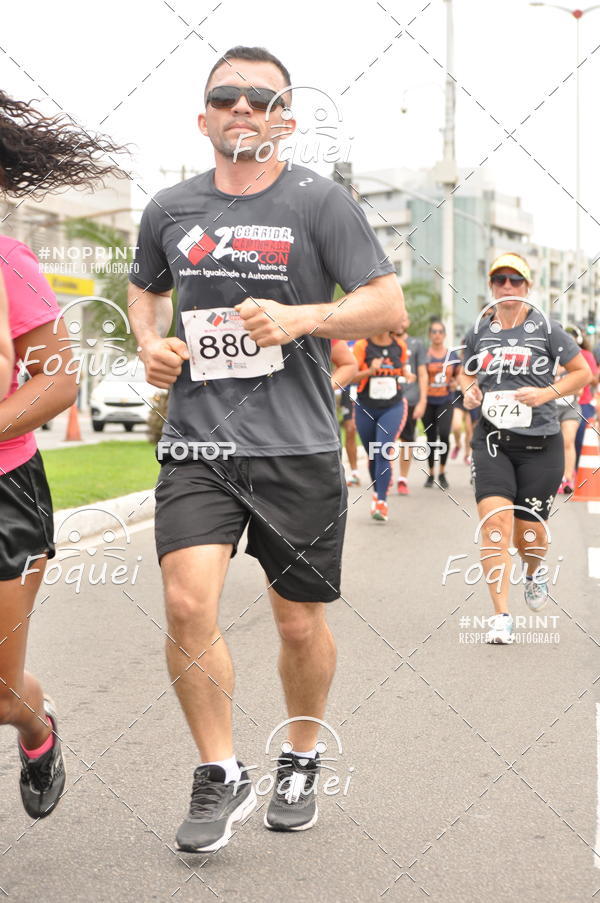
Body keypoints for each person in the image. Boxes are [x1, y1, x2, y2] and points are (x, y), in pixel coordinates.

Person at [127, 45, 406, 852]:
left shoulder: (321, 202)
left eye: (261, 98)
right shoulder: (170, 208)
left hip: (299, 445)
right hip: (198, 444)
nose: (243, 108)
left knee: (297, 623)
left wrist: (304, 318)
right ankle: (220, 770)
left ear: (285, 120)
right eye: (227, 97)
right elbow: (144, 286)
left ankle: (302, 754)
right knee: (187, 603)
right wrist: (149, 342)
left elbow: (387, 304)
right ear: (204, 118)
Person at [0, 89, 124, 816]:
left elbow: (57, 382)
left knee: (1, 692)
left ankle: (36, 727)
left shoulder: (10, 263)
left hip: (6, 489)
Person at [460, 253, 591, 644]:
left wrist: (545, 393)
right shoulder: (479, 330)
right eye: (499, 279)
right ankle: (501, 616)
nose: (507, 286)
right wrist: (469, 391)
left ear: (527, 287)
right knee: (494, 524)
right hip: (492, 441)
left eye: (515, 280)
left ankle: (533, 571)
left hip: (540, 443)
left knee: (529, 533)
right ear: (491, 286)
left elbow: (583, 373)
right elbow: (464, 373)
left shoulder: (547, 329)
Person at [352, 327, 408, 521]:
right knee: (373, 454)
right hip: (366, 407)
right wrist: (370, 371)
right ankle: (378, 492)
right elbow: (351, 376)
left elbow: (403, 371)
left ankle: (381, 502)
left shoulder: (399, 346)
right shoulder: (362, 345)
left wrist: (408, 375)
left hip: (393, 406)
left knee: (383, 450)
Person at [423, 319, 460, 489]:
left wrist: (455, 382)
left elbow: (460, 374)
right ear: (429, 335)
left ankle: (442, 472)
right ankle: (431, 473)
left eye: (440, 332)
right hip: (428, 401)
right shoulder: (425, 355)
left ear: (444, 335)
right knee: (430, 437)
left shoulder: (451, 355)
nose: (437, 335)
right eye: (434, 332)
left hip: (445, 400)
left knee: (444, 434)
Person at [392, 316, 427, 495]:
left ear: (408, 323)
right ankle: (386, 474)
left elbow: (422, 374)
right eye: (397, 319)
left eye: (403, 319)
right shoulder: (384, 342)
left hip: (410, 398)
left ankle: (403, 479)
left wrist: (422, 401)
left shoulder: (416, 344)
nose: (400, 323)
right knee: (387, 439)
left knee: (406, 440)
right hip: (388, 398)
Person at [566, 326, 598, 469]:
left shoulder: (586, 355)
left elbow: (594, 379)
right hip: (560, 404)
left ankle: (577, 473)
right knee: (565, 442)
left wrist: (579, 375)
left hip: (583, 403)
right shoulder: (556, 355)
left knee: (580, 441)